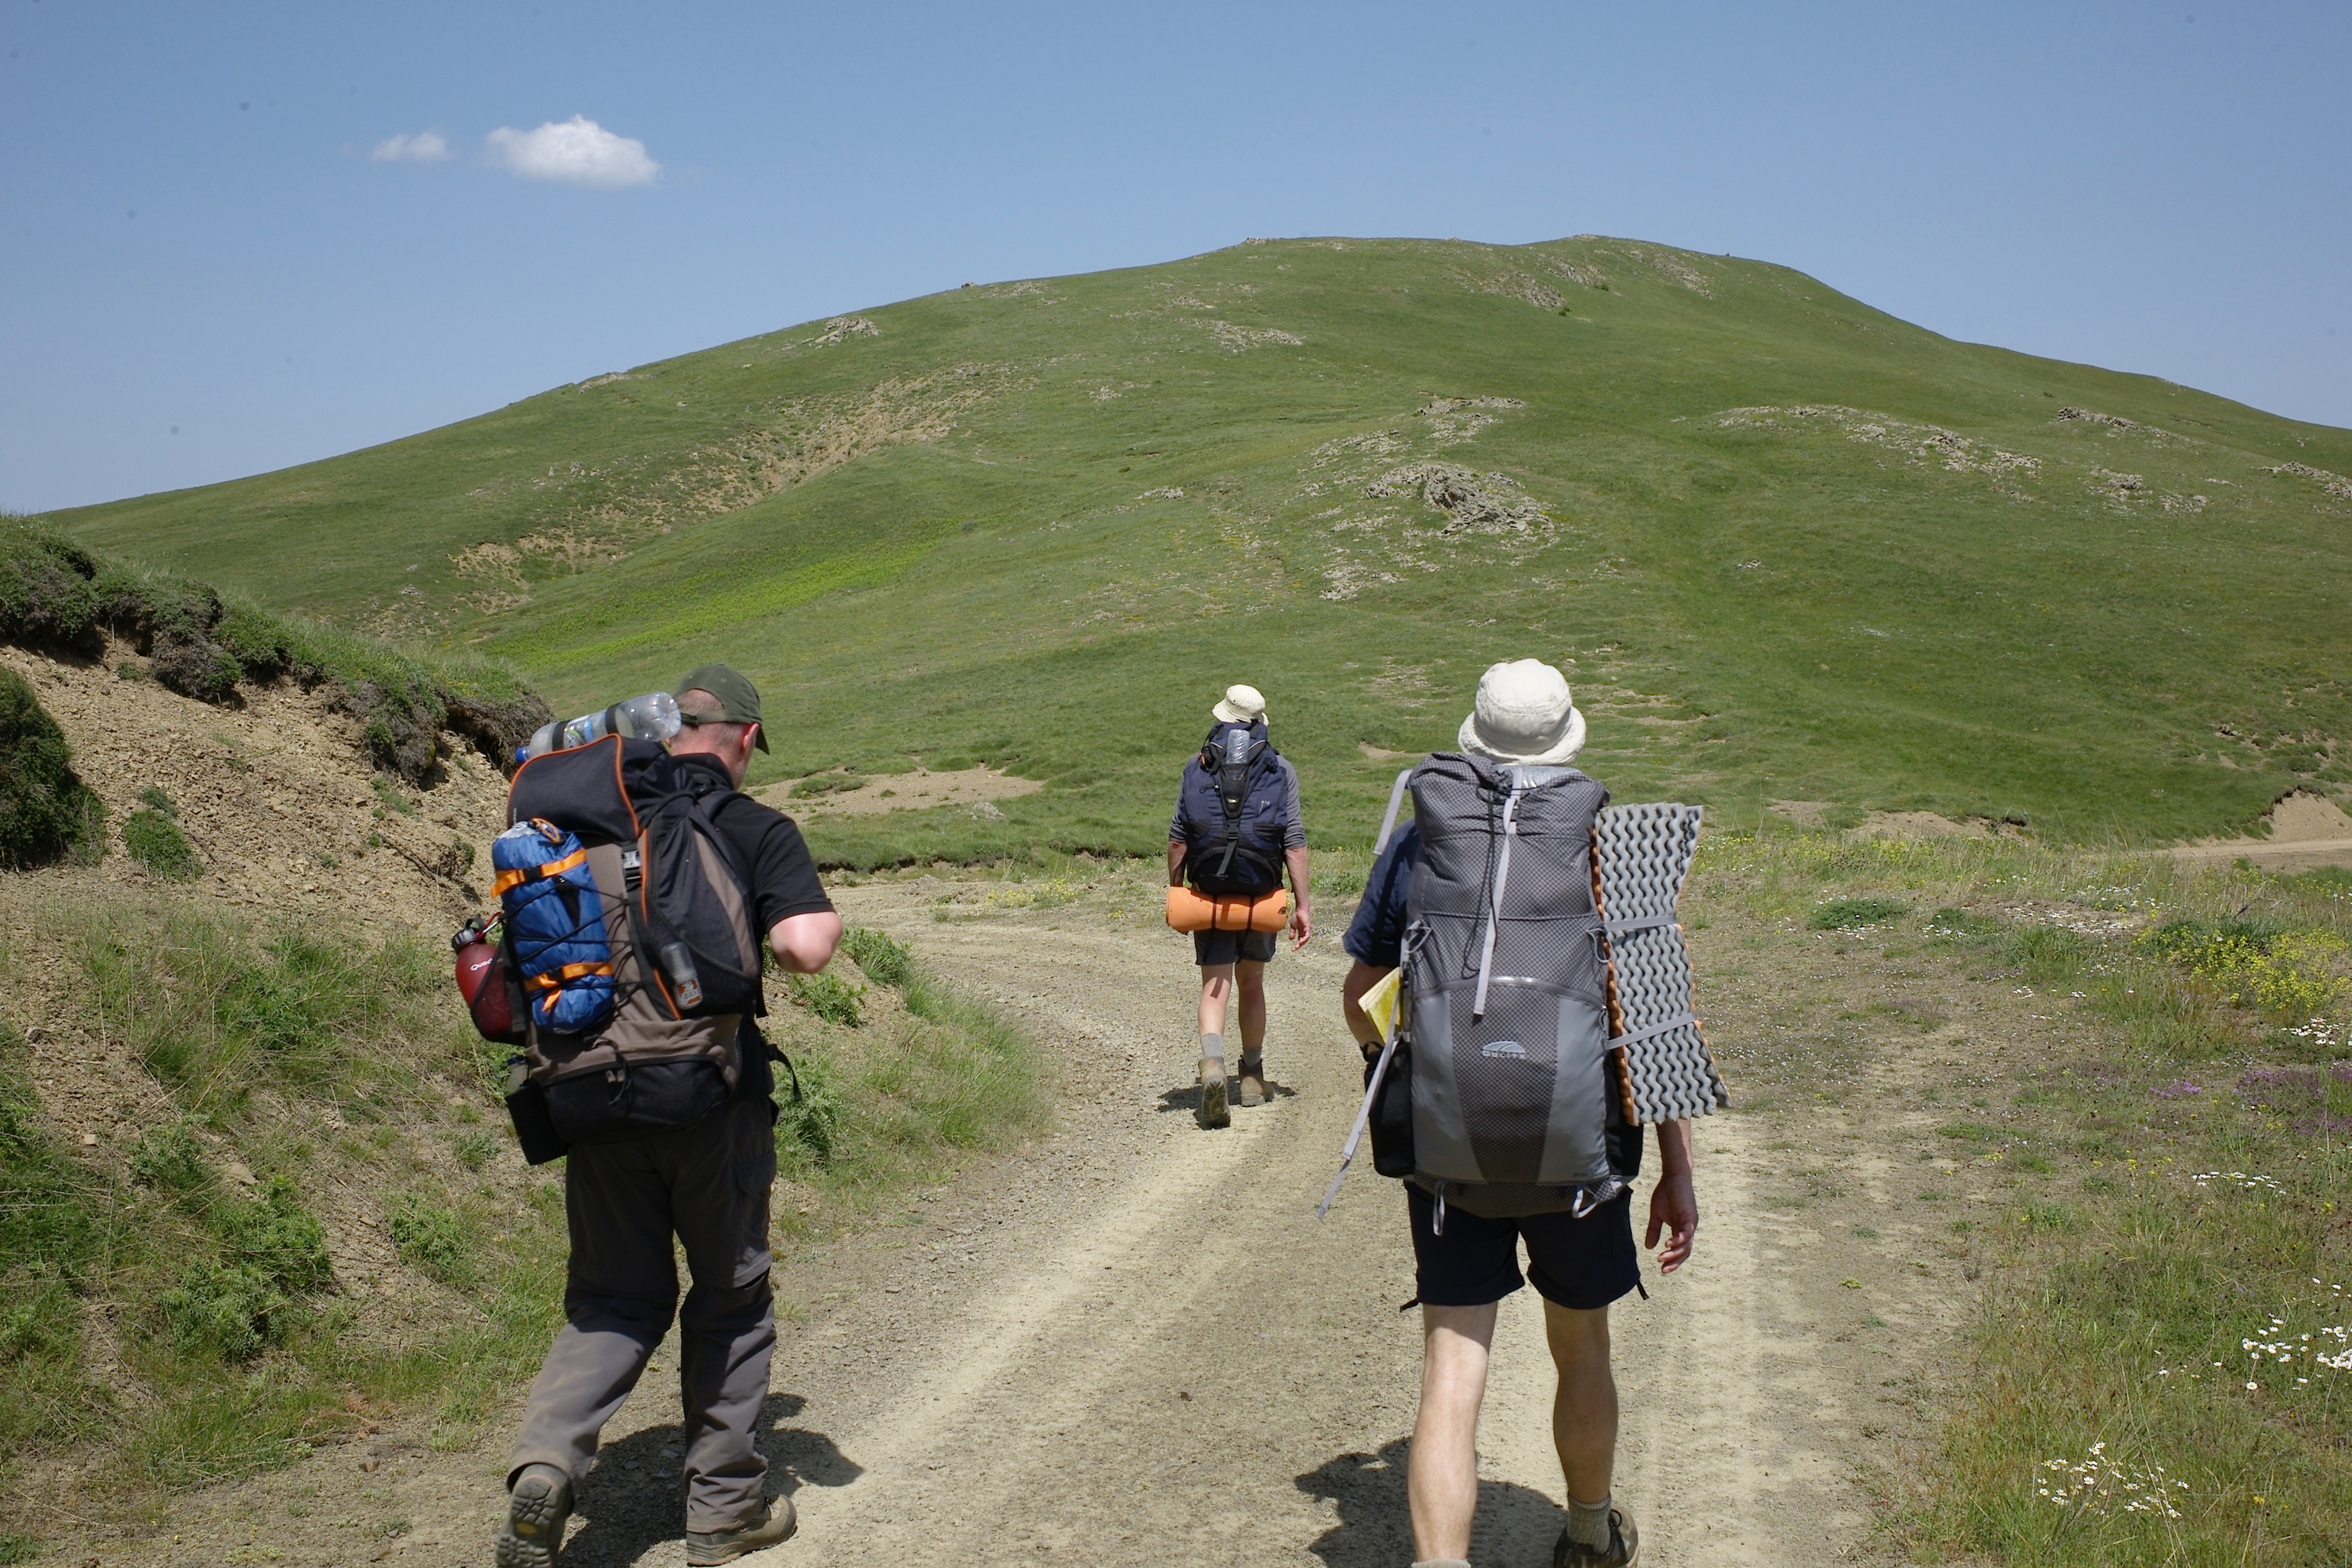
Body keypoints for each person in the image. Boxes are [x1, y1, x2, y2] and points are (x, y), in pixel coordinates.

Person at [1338, 660, 1699, 1568]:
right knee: (1582, 1346)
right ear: (1567, 740)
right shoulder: (1617, 846)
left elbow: (1358, 998)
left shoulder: (1423, 840)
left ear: (1476, 736)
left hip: (1448, 1157)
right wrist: (1678, 1171)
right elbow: (1654, 1025)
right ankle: (1590, 1533)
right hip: (1581, 1156)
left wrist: (1412, 1071)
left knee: (1453, 1368)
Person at [498, 664, 844, 1568]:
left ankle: (547, 1465)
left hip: (587, 1096)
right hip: (708, 1100)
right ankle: (723, 1511)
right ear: (743, 737)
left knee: (612, 1297)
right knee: (730, 1296)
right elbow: (804, 948)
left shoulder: (581, 820)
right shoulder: (751, 824)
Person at [1168, 683, 1312, 1128]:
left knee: (1216, 984)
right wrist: (1303, 905)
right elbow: (1293, 842)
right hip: (1261, 893)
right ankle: (1251, 1076)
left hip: (1210, 892)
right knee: (1252, 983)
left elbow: (1178, 838)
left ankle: (1213, 1065)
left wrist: (1177, 889)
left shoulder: (1197, 765)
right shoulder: (1280, 769)